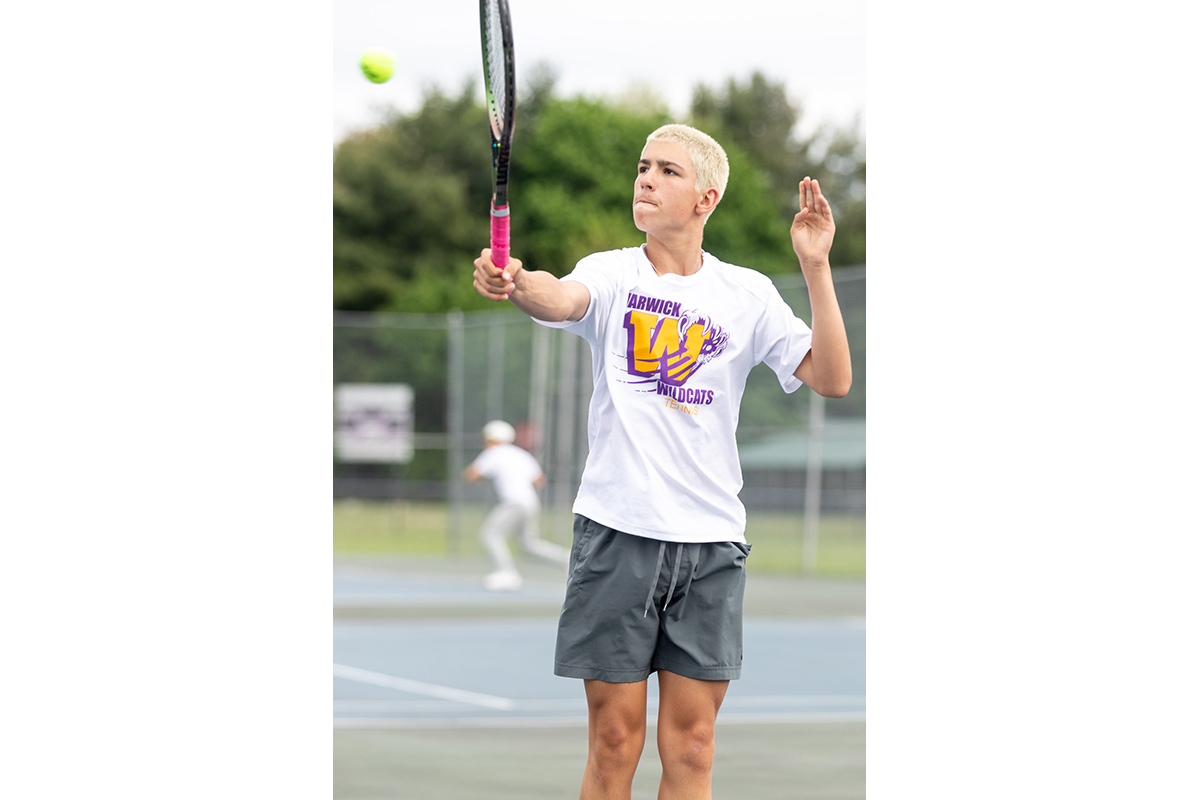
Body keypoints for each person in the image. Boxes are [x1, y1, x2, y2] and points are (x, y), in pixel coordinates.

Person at [471, 124, 852, 799]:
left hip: (711, 547)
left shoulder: (748, 294)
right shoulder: (612, 272)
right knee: (615, 742)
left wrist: (816, 267)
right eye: (644, 167)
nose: (646, 179)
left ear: (705, 198)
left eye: (668, 171)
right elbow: (559, 296)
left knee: (695, 749)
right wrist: (518, 281)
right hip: (618, 535)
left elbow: (832, 377)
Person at [461, 419, 569, 591]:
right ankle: (567, 559)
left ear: (493, 438)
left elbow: (471, 475)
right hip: (530, 503)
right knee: (529, 545)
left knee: (490, 535)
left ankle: (507, 573)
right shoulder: (521, 454)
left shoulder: (494, 453)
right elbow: (539, 480)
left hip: (514, 502)